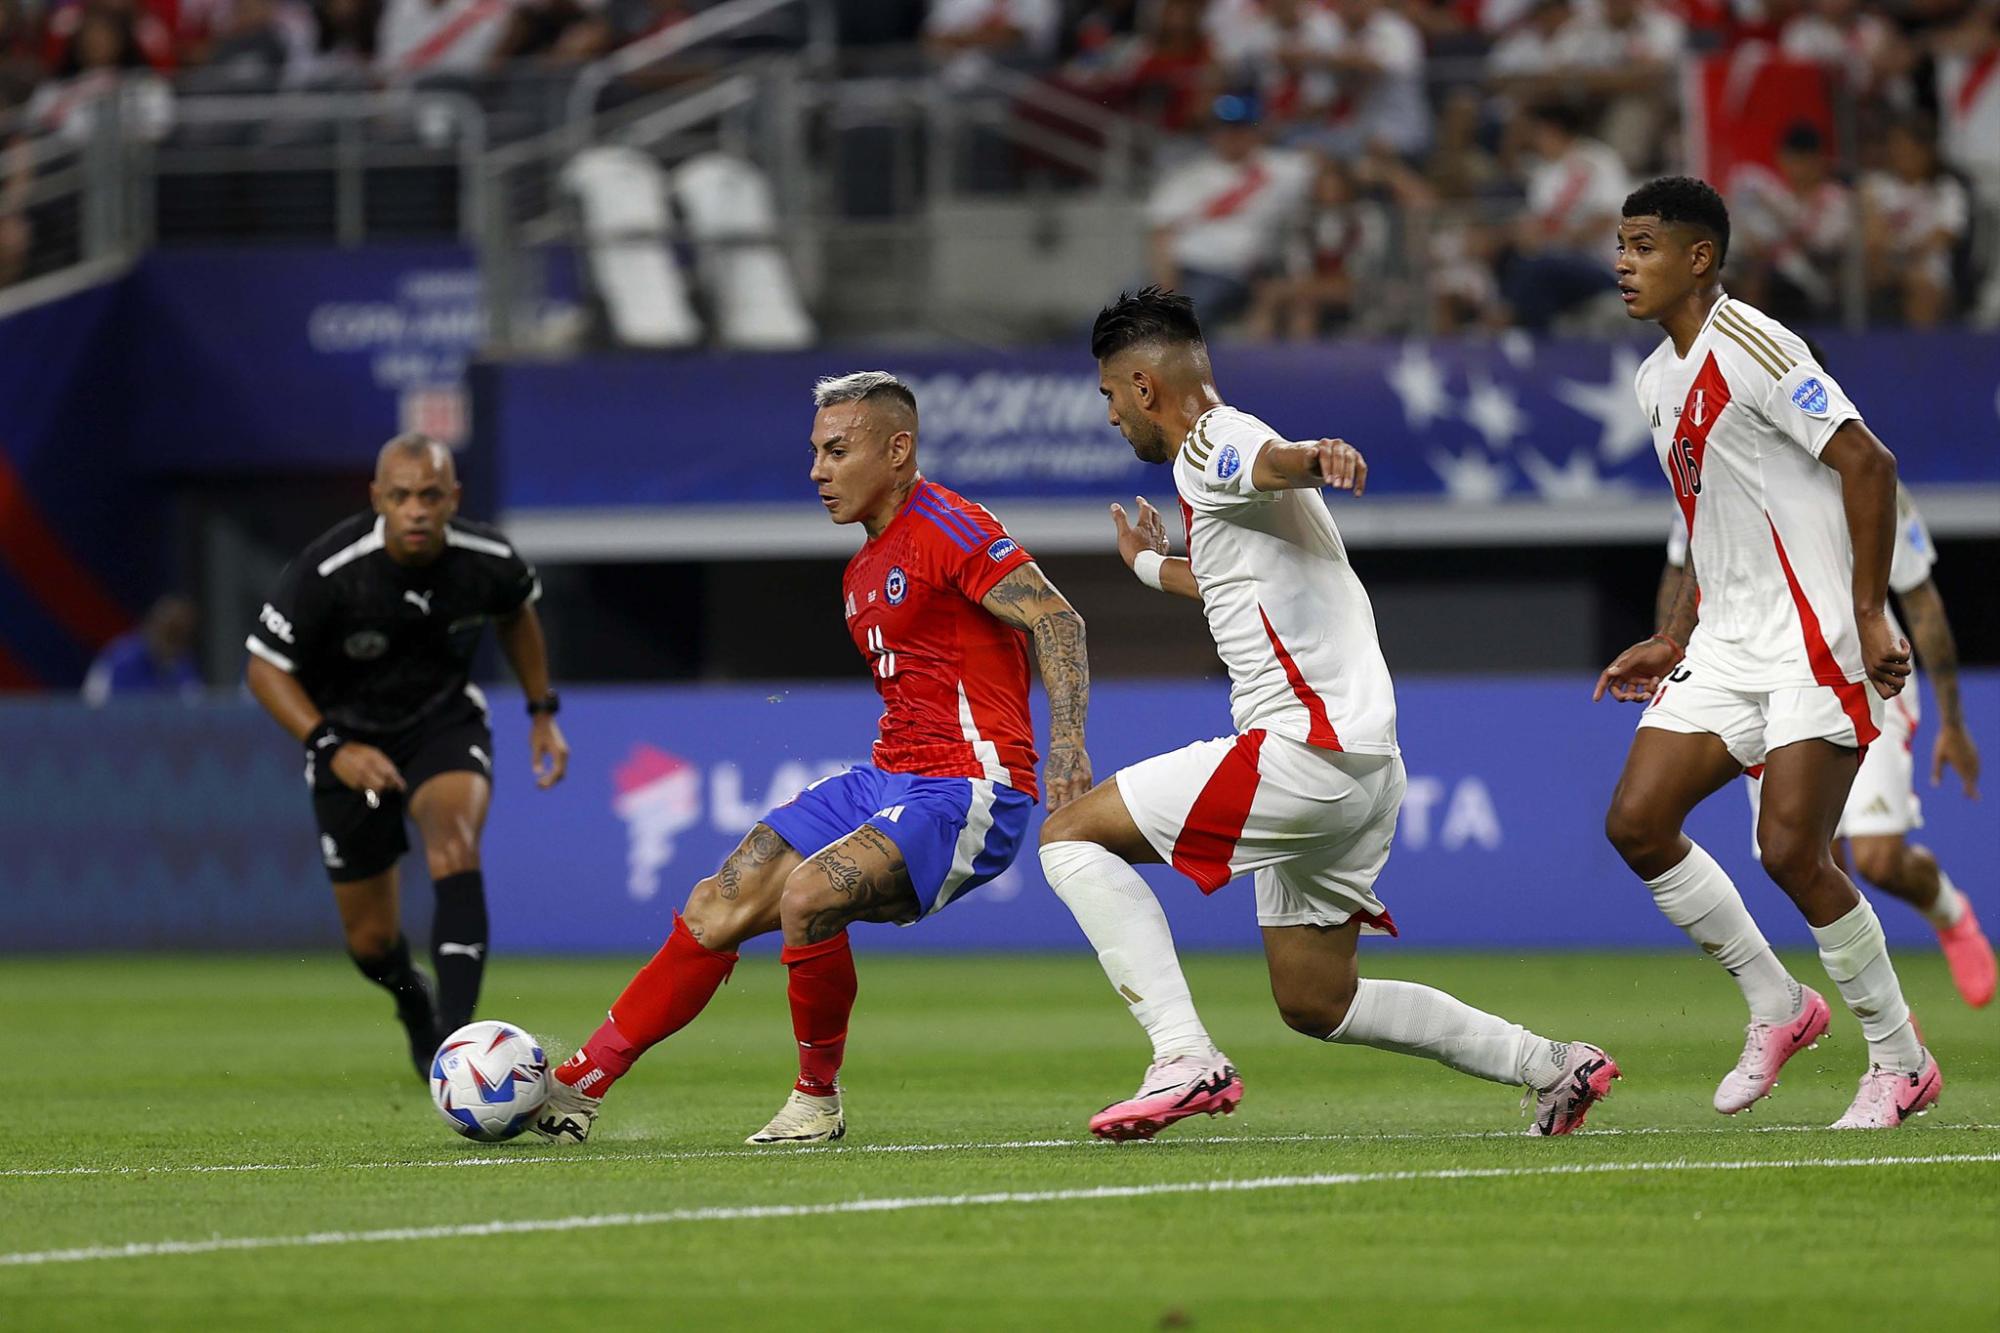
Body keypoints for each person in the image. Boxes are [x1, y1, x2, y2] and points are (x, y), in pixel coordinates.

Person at [1035, 287, 1617, 1143]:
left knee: (1070, 837)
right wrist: (1150, 567)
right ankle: (1552, 1064)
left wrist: (1316, 456)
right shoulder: (1224, 473)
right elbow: (1231, 582)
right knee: (1316, 997)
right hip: (1367, 765)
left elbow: (1269, 457)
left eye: (1111, 396)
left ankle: (1183, 1055)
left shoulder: (1210, 441)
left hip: (1300, 753)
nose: (1113, 415)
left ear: (1144, 387)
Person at [533, 371, 1091, 1147]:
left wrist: (1067, 743)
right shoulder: (862, 569)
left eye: (837, 450)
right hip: (887, 774)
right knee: (717, 900)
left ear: (898, 450)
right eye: (814, 452)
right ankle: (577, 1086)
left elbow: (1057, 619)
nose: (817, 471)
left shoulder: (950, 526)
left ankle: (816, 1101)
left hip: (970, 788)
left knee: (806, 895)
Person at [1599, 176, 1940, 1130]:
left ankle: (1900, 1060)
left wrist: (1872, 614)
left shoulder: (1754, 341)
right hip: (1728, 644)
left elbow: (1868, 462)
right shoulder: (1653, 378)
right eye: (1621, 245)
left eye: (1644, 245)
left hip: (1816, 636)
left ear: (1699, 258)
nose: (1624, 263)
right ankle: (1780, 1001)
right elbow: (1718, 516)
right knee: (1637, 821)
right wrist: (1674, 633)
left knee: (1791, 847)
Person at [244, 434, 568, 1078]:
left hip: (442, 725)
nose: (416, 509)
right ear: (376, 500)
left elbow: (516, 615)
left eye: (429, 495)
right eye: (400, 496)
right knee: (369, 945)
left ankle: (459, 1046)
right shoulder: (329, 571)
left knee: (454, 842)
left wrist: (541, 712)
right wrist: (329, 746)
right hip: (347, 742)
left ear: (453, 498)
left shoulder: (488, 558)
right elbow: (264, 668)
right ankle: (414, 1002)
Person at [1659, 491, 1993, 1008]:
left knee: (1881, 860)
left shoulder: (1850, 468)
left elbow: (1920, 599)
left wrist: (1953, 722)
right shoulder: (1708, 465)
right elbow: (1683, 572)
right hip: (1761, 680)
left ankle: (1950, 913)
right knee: (1813, 864)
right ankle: (1893, 1025)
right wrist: (1672, 652)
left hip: (1858, 675)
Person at [82, 593, 202, 705]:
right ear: (153, 623)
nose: (171, 639)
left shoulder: (183, 666)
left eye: (179, 634)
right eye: (170, 630)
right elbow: (91, 711)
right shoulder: (118, 660)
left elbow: (196, 711)